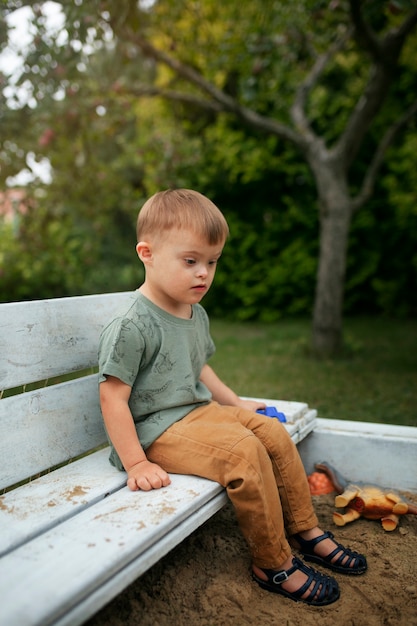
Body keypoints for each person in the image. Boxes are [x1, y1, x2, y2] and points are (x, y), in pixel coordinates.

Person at [98, 189, 367, 606]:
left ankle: (305, 531)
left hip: (197, 414)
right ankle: (272, 563)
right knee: (244, 454)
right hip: (155, 431)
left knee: (272, 434)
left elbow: (199, 366)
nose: (203, 273)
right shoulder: (132, 323)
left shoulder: (193, 311)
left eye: (212, 262)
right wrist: (136, 462)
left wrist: (237, 404)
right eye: (191, 261)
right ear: (147, 253)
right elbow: (112, 398)